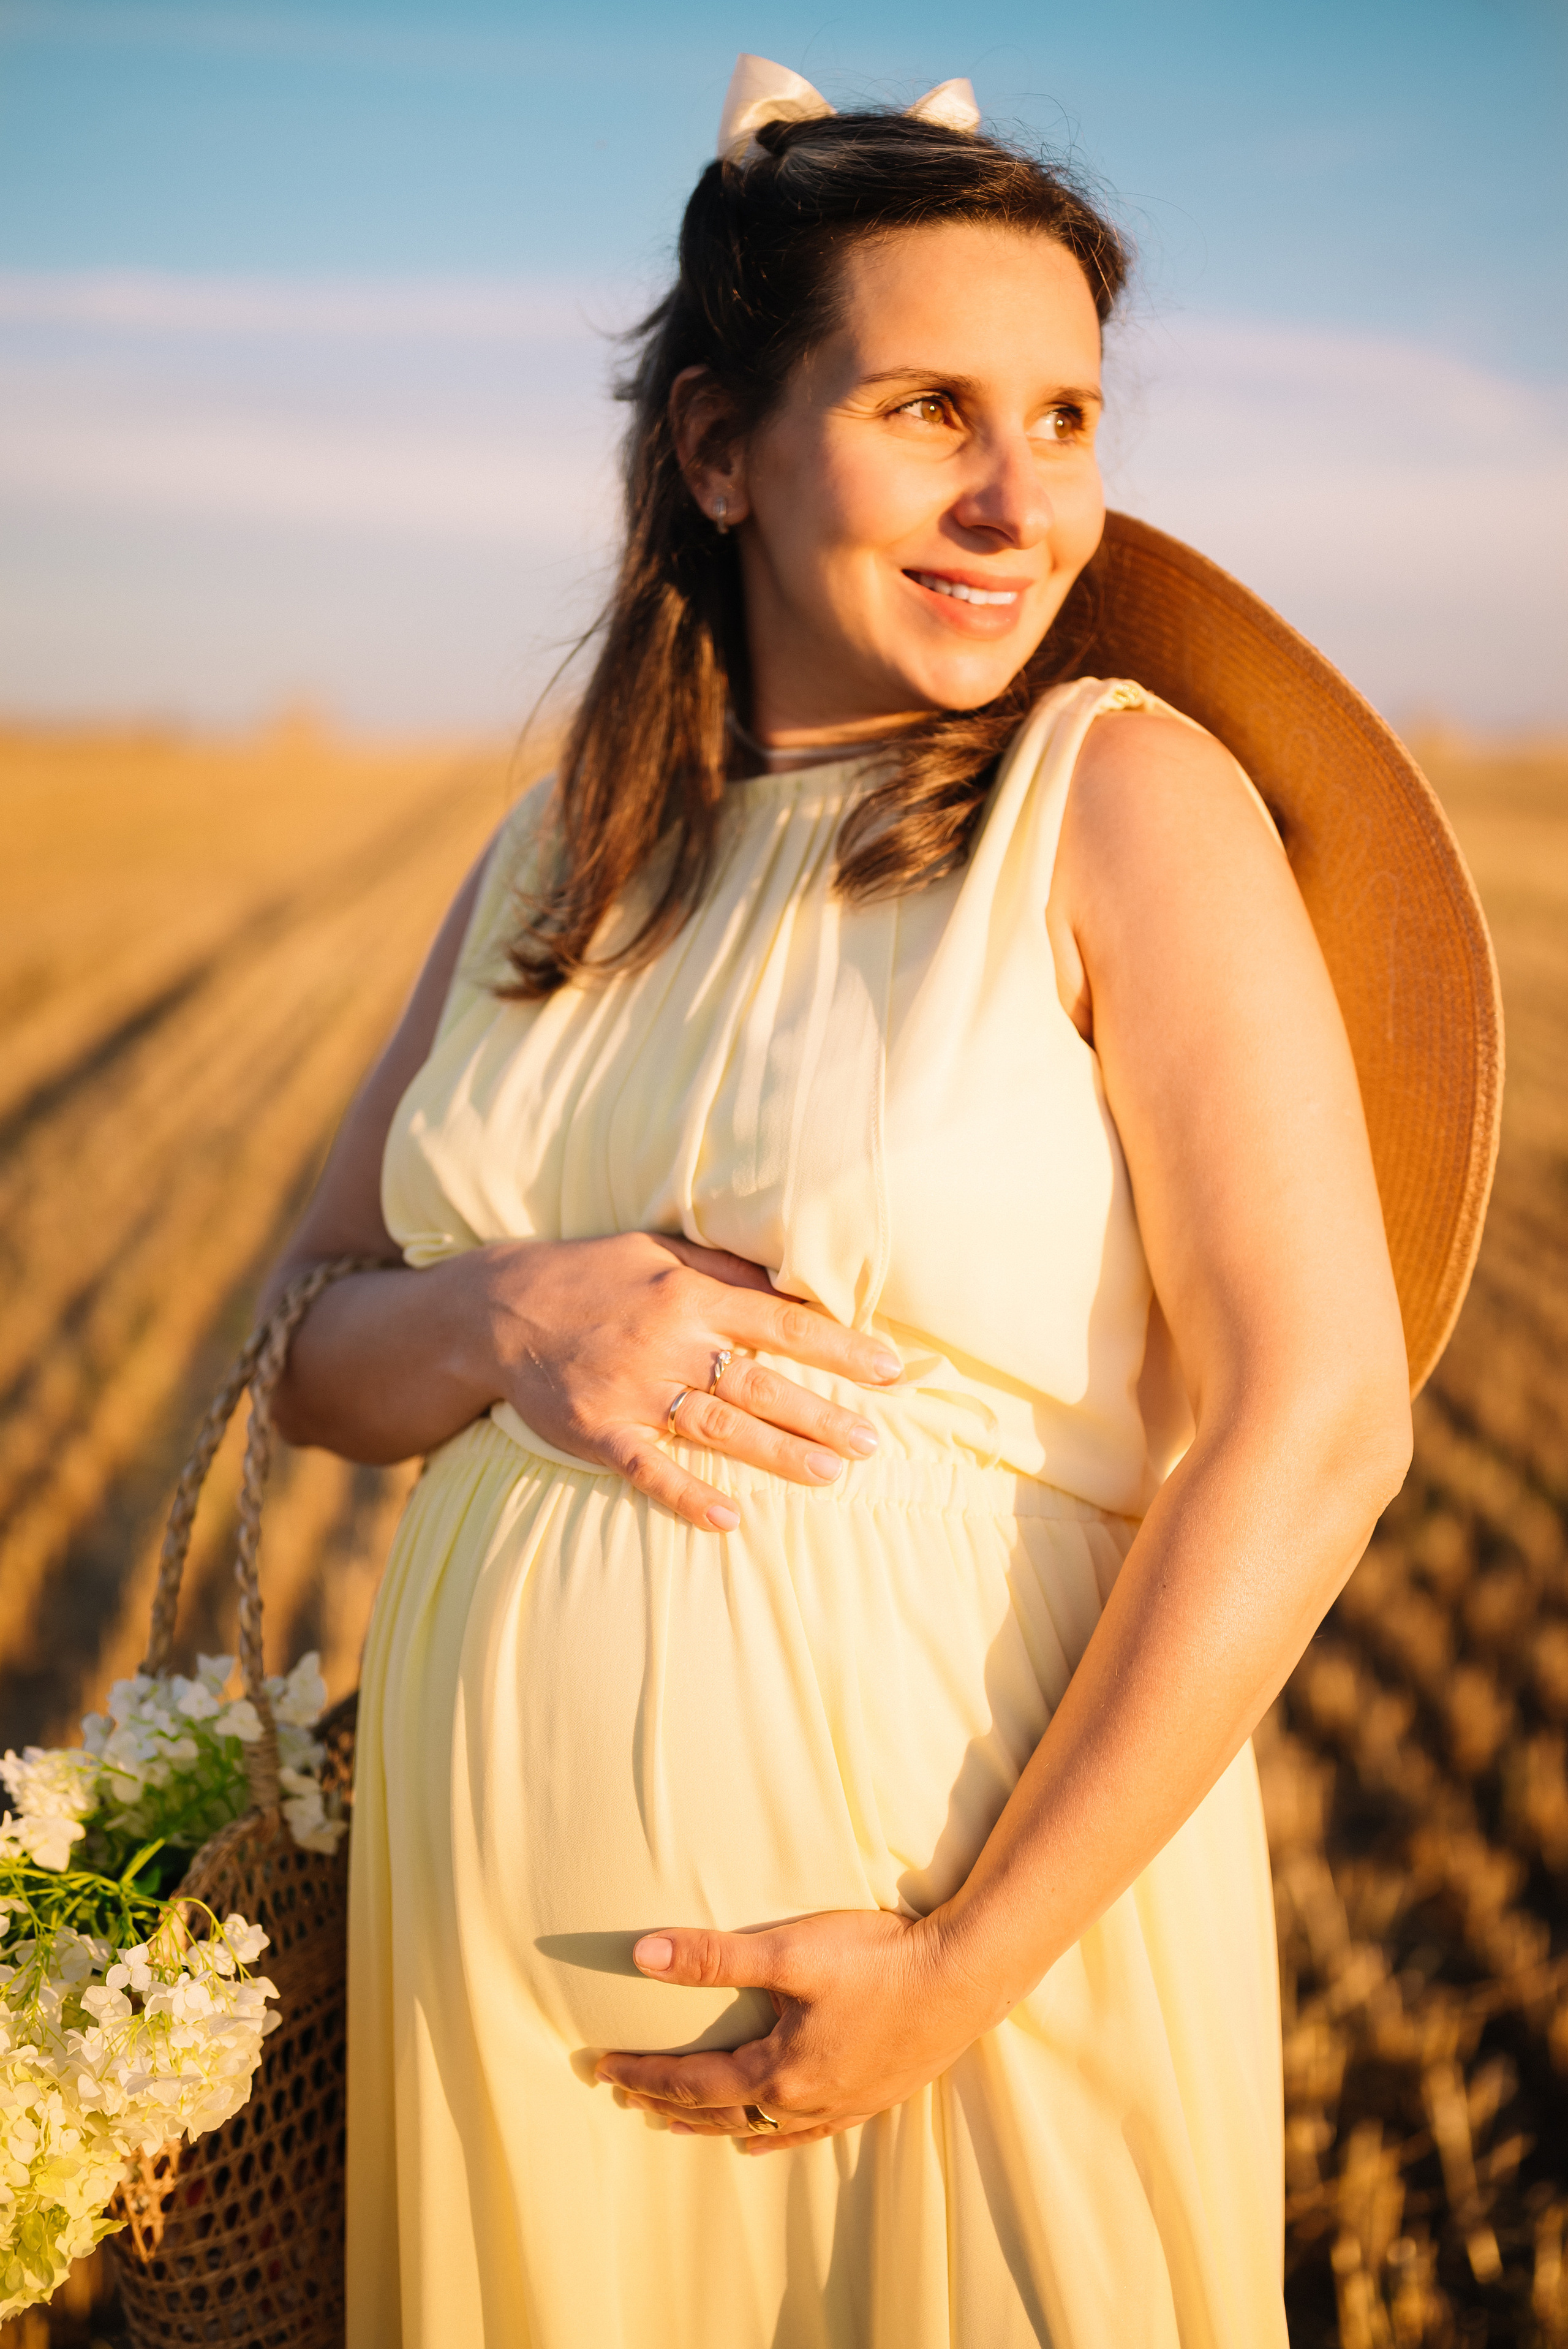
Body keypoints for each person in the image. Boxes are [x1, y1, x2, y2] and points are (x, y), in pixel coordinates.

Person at [261, 58, 1417, 2348]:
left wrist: (959, 1964)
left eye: (1071, 419)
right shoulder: (552, 864)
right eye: (929, 409)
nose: (1020, 501)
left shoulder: (1119, 802)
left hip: (949, 1944)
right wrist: (511, 1314)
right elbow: (300, 1338)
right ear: (718, 448)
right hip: (502, 1963)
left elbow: (1324, 1416)